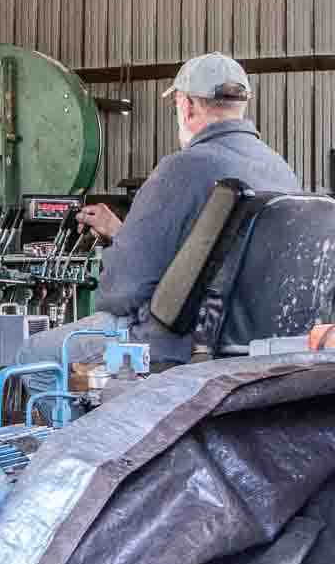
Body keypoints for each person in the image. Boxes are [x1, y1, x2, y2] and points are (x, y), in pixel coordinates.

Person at [16, 53, 300, 392]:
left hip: (175, 343)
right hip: (249, 343)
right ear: (241, 103)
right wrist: (123, 233)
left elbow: (122, 291)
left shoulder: (183, 168)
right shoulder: (280, 170)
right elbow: (214, 256)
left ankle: (88, 444)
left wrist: (118, 257)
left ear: (187, 106)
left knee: (34, 355)